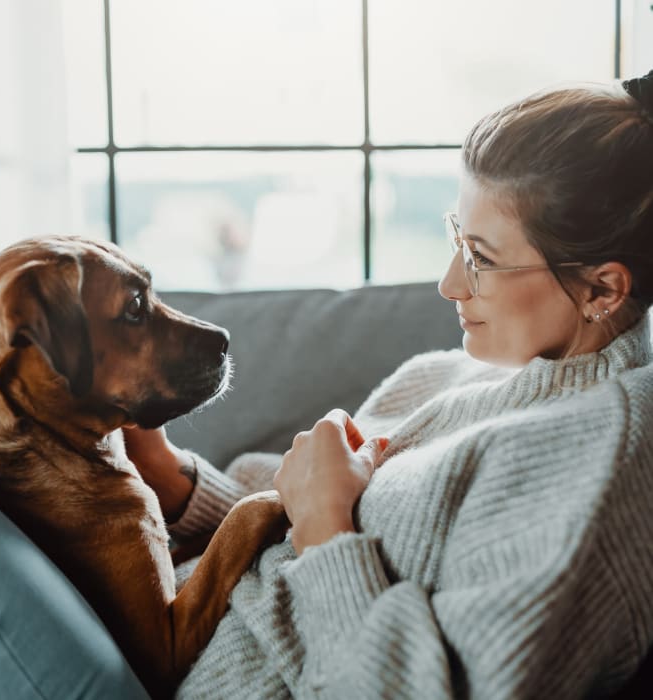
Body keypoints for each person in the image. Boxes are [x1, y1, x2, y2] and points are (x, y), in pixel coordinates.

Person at [124, 70, 653, 699]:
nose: (449, 283)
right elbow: (289, 515)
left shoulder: (595, 471)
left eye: (481, 257)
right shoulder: (446, 373)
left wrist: (324, 525)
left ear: (602, 288)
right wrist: (177, 481)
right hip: (162, 623)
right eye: (457, 235)